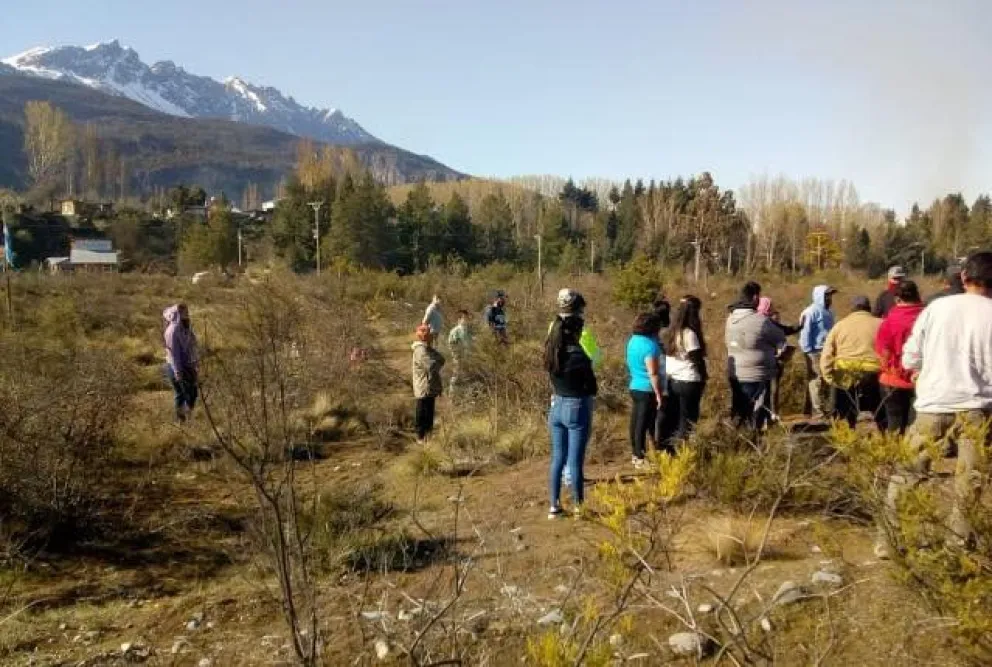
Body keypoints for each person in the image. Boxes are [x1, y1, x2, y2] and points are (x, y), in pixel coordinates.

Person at [877, 251, 992, 556]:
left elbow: (910, 357)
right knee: (969, 482)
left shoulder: (937, 308)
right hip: (978, 409)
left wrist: (922, 370)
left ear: (964, 277)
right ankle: (958, 546)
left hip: (933, 403)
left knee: (907, 474)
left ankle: (890, 541)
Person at [545, 314, 597, 519]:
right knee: (575, 461)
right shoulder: (579, 356)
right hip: (576, 406)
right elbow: (592, 387)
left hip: (556, 405)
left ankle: (554, 506)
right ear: (576, 332)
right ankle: (578, 507)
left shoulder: (552, 353)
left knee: (557, 458)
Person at [726, 282, 786, 431]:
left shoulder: (730, 318)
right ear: (755, 297)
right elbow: (780, 337)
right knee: (755, 413)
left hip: (735, 373)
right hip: (756, 374)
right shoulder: (761, 321)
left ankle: (737, 437)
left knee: (739, 409)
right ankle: (753, 437)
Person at [819, 296, 883, 429]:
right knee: (881, 414)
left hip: (845, 374)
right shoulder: (881, 324)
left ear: (852, 309)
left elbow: (826, 355)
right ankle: (885, 436)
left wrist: (829, 376)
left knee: (843, 415)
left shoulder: (840, 326)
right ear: (869, 308)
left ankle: (847, 434)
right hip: (874, 373)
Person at [875, 281, 924, 434]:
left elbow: (883, 351)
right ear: (918, 296)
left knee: (895, 424)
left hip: (893, 379)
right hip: (922, 378)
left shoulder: (890, 320)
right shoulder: (928, 317)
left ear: (897, 299)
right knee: (919, 428)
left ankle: (895, 448)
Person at [662, 296, 708, 447]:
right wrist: (704, 376)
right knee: (687, 420)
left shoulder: (671, 331)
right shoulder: (689, 334)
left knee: (675, 418)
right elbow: (696, 359)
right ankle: (683, 450)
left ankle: (671, 450)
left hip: (672, 380)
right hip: (688, 380)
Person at [626, 313, 665, 468]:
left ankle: (635, 453)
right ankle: (639, 456)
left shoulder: (632, 340)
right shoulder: (650, 346)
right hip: (646, 388)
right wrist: (658, 393)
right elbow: (653, 372)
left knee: (636, 421)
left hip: (635, 385)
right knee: (642, 424)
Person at [799, 285, 837, 420]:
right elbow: (805, 333)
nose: (829, 298)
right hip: (814, 351)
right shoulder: (810, 312)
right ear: (819, 295)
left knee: (827, 380)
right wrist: (808, 351)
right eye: (827, 295)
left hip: (827, 351)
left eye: (830, 295)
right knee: (816, 380)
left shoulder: (829, 312)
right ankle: (818, 412)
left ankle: (826, 409)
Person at [758, 297, 799, 419]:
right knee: (766, 389)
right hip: (765, 362)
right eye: (770, 306)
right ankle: (766, 415)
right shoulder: (763, 324)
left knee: (771, 389)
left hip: (772, 362)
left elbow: (787, 330)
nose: (772, 308)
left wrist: (800, 325)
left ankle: (771, 414)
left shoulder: (768, 323)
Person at [164, 304, 199, 423]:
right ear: (176, 313)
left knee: (192, 393)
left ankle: (187, 418)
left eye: (186, 311)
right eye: (183, 311)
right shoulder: (172, 330)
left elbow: (192, 346)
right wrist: (178, 371)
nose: (186, 313)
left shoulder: (185, 327)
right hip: (177, 367)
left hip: (188, 365)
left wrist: (195, 363)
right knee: (183, 394)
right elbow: (174, 353)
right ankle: (182, 420)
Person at [550, 288, 602, 367]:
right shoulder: (582, 330)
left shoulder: (553, 326)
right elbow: (596, 358)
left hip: (556, 371)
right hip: (580, 371)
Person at [411, 324, 445, 443]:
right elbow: (431, 366)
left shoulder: (427, 349)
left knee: (429, 412)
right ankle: (420, 437)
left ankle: (427, 437)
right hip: (423, 385)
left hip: (430, 385)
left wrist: (435, 360)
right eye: (430, 334)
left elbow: (441, 359)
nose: (432, 336)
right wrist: (436, 362)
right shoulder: (420, 350)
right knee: (422, 412)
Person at [447, 309, 472, 396]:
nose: (466, 319)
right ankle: (451, 394)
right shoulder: (456, 331)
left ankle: (466, 395)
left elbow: (469, 342)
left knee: (466, 375)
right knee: (456, 374)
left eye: (467, 317)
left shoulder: (466, 330)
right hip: (459, 357)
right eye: (464, 318)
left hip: (467, 356)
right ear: (459, 319)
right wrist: (457, 356)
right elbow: (452, 344)